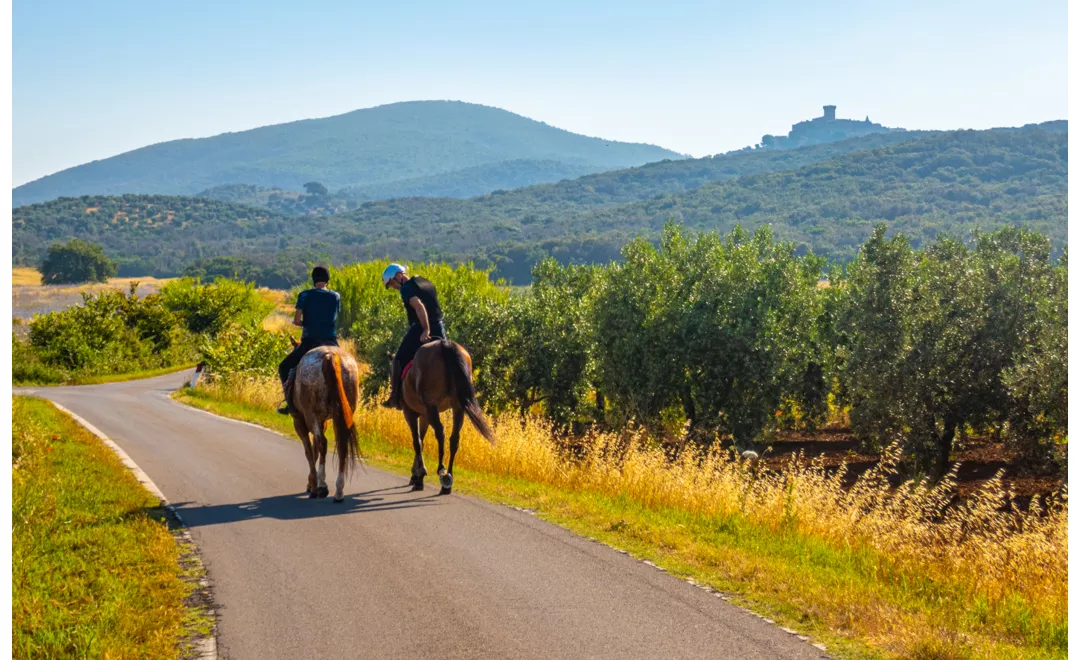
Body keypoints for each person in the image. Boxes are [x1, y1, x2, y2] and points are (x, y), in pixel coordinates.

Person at [277, 266, 341, 415]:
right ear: (327, 280)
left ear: (314, 280)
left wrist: (306, 322)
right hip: (331, 342)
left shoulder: (304, 295)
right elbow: (334, 317)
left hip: (310, 342)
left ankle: (290, 404)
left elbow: (296, 320)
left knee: (284, 367)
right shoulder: (336, 296)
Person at [381, 263, 446, 409]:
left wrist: (425, 330)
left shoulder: (406, 288)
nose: (393, 287)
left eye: (391, 283)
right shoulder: (424, 282)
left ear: (398, 275)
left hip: (421, 328)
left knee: (398, 359)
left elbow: (419, 307)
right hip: (440, 325)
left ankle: (395, 396)